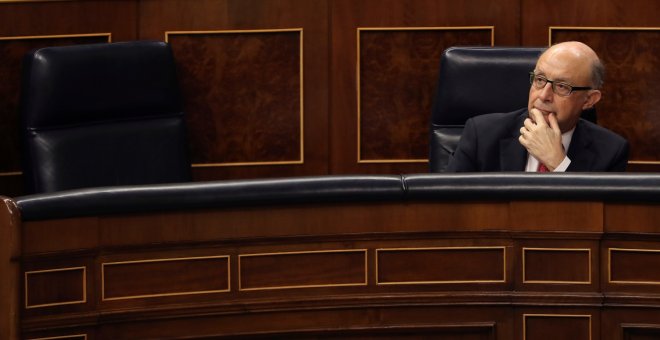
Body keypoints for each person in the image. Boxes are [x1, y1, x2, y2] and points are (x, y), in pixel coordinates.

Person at [446, 41, 629, 172]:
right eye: (540, 80)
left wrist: (558, 164)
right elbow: (447, 207)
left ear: (589, 100)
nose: (543, 95)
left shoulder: (611, 152)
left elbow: (594, 221)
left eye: (562, 86)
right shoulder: (482, 136)